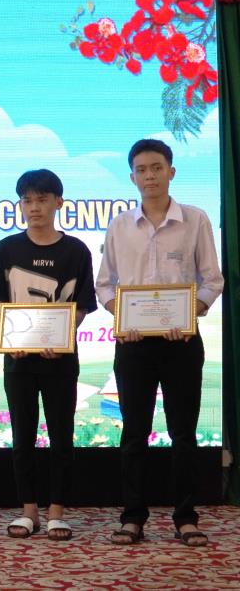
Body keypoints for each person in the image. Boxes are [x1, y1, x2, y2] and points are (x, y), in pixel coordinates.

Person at [96, 139, 222, 547]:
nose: (149, 175)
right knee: (134, 432)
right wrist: (122, 316)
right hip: (133, 345)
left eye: (156, 167)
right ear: (132, 177)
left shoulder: (196, 219)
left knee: (183, 433)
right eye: (141, 169)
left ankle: (186, 517)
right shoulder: (119, 226)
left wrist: (192, 314)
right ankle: (133, 518)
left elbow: (212, 279)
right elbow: (105, 285)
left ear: (171, 171)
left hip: (182, 342)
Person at [0, 170, 97, 541]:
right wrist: (19, 337)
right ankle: (28, 511)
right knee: (23, 436)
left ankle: (57, 512)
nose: (35, 207)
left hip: (61, 359)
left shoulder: (76, 250)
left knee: (62, 435)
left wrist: (61, 335)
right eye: (28, 200)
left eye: (43, 199)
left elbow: (81, 307)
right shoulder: (5, 249)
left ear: (59, 203)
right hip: (18, 360)